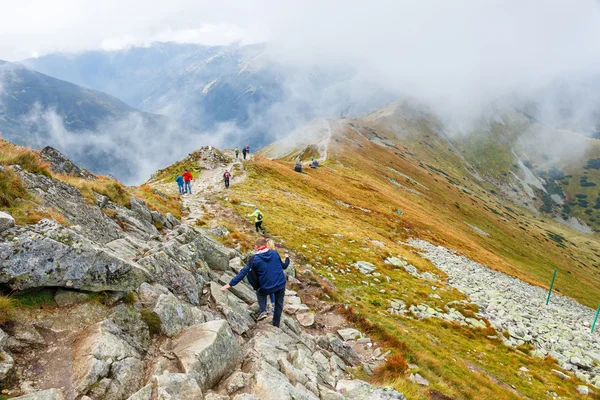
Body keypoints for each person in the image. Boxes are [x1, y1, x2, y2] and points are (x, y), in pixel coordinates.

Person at [221, 238, 290, 326]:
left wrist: (230, 284)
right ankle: (276, 324)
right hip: (281, 284)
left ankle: (263, 311)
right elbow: (283, 266)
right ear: (266, 245)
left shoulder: (254, 259)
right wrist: (287, 259)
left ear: (256, 246)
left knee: (260, 293)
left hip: (267, 287)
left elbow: (243, 272)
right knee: (279, 304)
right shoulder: (274, 253)